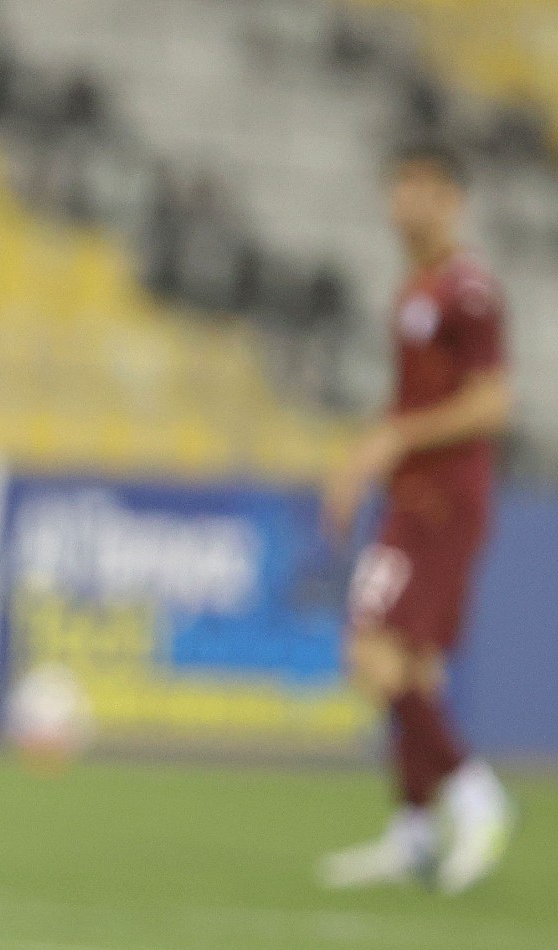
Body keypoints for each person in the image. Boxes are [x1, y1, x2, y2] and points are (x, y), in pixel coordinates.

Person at [317, 142, 513, 894]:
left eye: (422, 189)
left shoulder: (469, 289)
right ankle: (414, 833)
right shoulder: (415, 290)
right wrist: (365, 453)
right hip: (418, 495)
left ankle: (477, 796)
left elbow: (493, 402)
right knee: (417, 669)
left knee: (370, 650)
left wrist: (394, 440)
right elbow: (411, 406)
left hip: (442, 499)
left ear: (454, 201)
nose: (405, 203)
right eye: (398, 188)